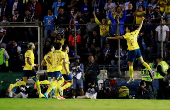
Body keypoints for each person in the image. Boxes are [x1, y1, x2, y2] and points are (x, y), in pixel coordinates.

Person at [107, 17, 154, 83]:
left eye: (126, 28)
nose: (125, 29)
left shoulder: (127, 35)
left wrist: (110, 37)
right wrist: (142, 20)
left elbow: (119, 37)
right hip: (137, 49)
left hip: (132, 50)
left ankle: (131, 77)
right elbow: (140, 27)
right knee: (142, 61)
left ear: (128, 30)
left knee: (130, 64)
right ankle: (151, 70)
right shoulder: (135, 32)